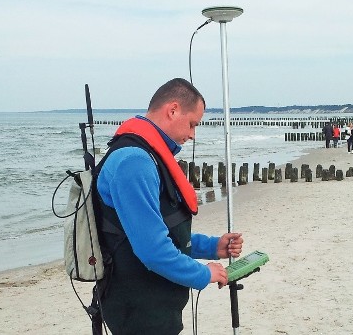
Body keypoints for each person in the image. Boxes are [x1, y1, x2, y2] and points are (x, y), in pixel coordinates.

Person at [90, 78, 244, 334]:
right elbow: (153, 250)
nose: (193, 134)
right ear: (172, 110)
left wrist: (212, 246)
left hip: (156, 306)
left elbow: (163, 233)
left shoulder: (146, 156)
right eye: (193, 123)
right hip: (138, 311)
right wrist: (204, 274)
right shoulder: (134, 162)